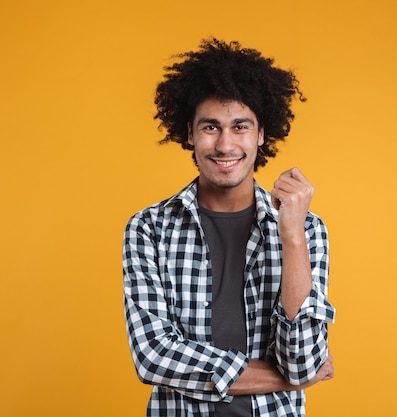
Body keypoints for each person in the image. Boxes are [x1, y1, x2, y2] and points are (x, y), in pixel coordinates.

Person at [123, 38, 336, 417]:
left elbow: (302, 358)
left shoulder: (307, 230)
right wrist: (287, 379)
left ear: (261, 135)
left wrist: (291, 236)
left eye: (240, 126)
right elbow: (154, 357)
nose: (225, 144)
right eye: (210, 127)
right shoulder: (149, 228)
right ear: (190, 134)